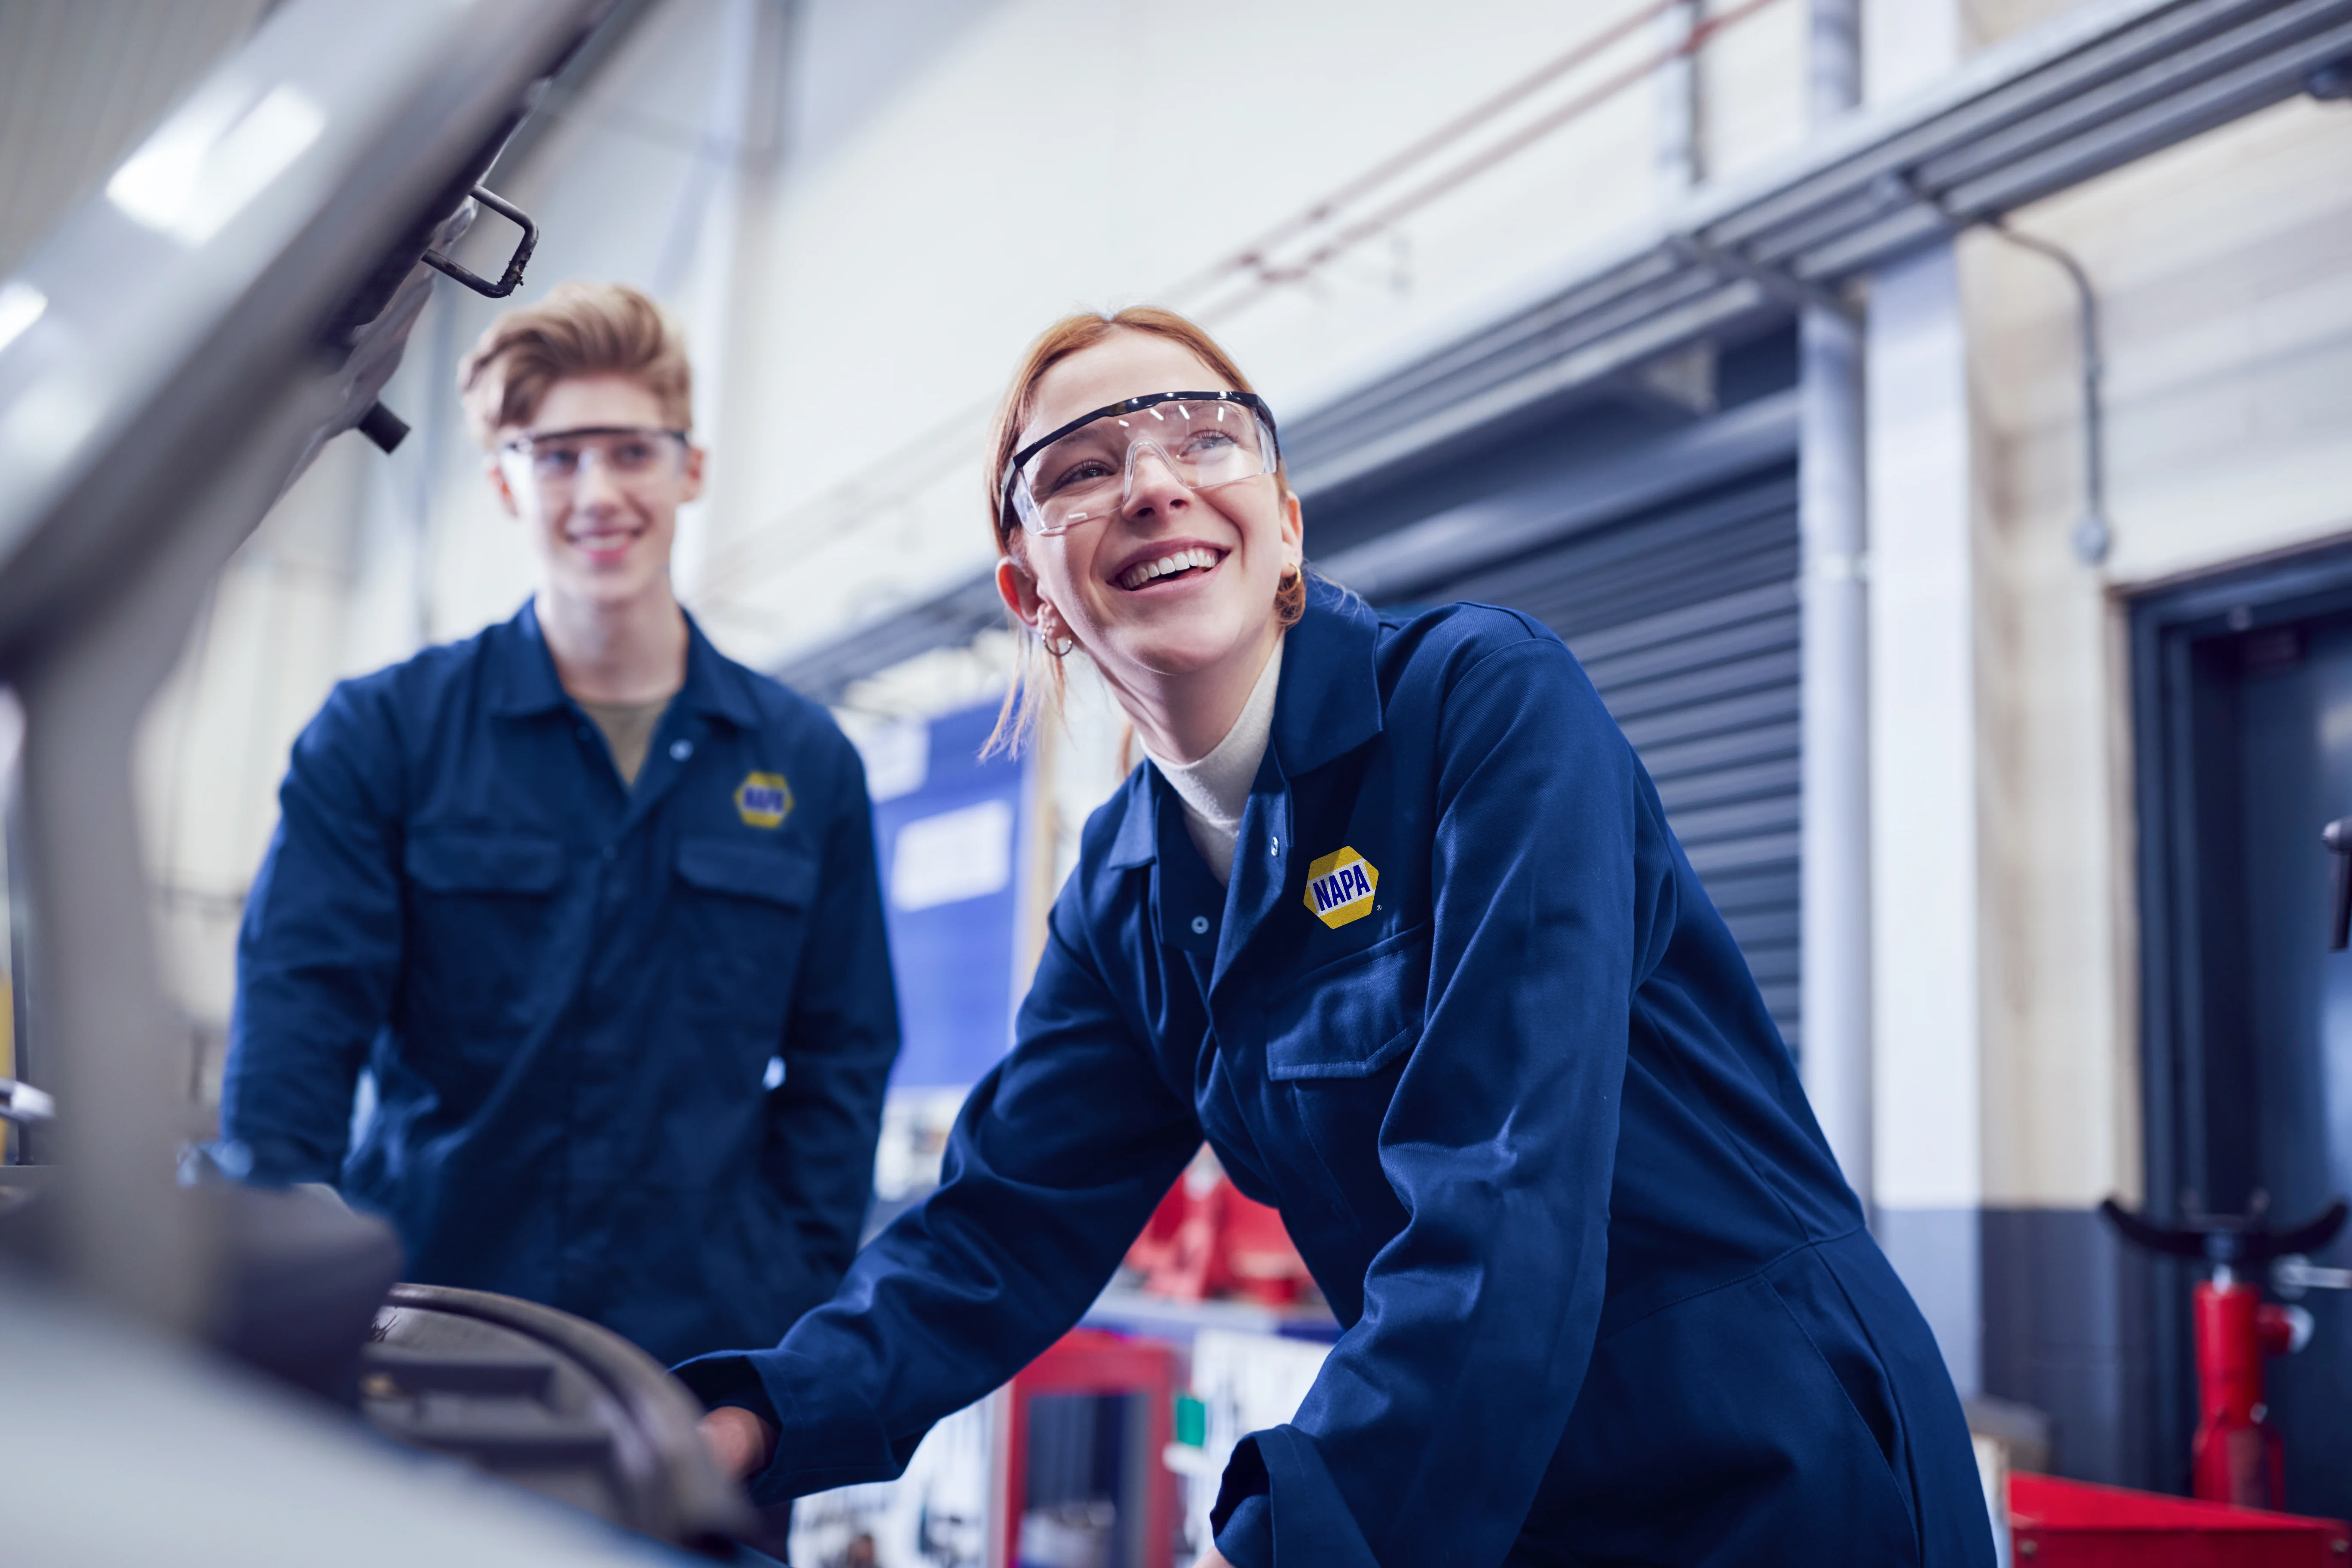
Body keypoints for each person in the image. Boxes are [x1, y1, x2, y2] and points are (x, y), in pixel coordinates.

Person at [684, 308, 1993, 1567]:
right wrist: (751, 1422)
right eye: (1081, 469)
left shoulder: (1484, 705)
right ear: (1033, 592)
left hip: (1769, 1462)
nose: (1153, 485)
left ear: (1287, 523)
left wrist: (1297, 1537)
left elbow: (1505, 1183)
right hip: (1500, 1496)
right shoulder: (1128, 889)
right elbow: (998, 1232)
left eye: (1204, 438)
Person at [218, 281, 899, 1369]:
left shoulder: (805, 763)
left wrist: (789, 1283)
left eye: (632, 452)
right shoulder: (383, 738)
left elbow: (845, 1058)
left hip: (703, 1368)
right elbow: (296, 1030)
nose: (598, 492)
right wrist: (294, 1279)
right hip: (421, 1343)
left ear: (691, 468)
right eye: (558, 456)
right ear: (505, 482)